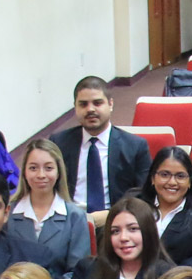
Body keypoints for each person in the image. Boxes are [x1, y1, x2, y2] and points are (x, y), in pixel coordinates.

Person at [49, 76, 153, 214]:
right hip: (69, 217)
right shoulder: (59, 143)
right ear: (75, 107)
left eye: (97, 103)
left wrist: (112, 215)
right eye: (83, 104)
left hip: (115, 218)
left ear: (110, 104)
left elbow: (143, 192)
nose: (90, 109)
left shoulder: (135, 146)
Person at [6, 138, 91, 279]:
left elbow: (78, 272)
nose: (41, 175)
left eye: (48, 168)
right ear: (24, 172)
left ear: (59, 172)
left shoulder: (75, 217)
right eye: (33, 168)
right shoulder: (8, 213)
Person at [130, 146, 192, 265]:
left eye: (180, 176)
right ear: (152, 178)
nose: (172, 182)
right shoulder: (133, 204)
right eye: (164, 174)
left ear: (190, 182)